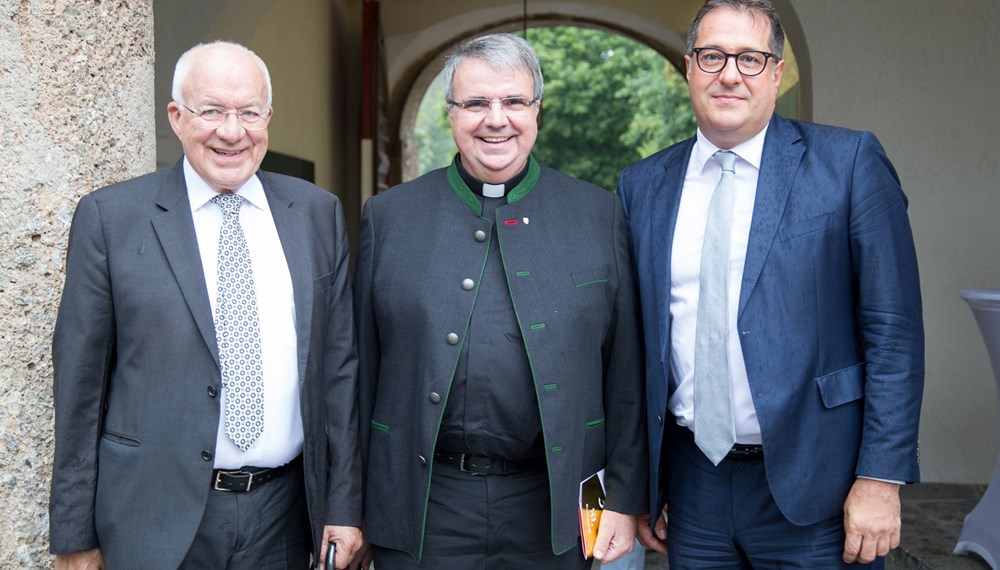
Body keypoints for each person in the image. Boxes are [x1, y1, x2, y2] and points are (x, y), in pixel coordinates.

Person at [617, 1, 924, 568]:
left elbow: (894, 332)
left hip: (818, 484)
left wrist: (881, 477)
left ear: (777, 73)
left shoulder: (849, 163)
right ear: (688, 68)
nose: (730, 74)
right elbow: (636, 348)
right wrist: (639, 484)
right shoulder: (641, 186)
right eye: (712, 56)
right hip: (693, 486)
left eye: (751, 59)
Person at [49, 41, 363, 570]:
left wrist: (345, 506)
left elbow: (340, 373)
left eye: (249, 112)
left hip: (282, 518)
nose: (232, 131)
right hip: (151, 517)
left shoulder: (315, 213)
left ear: (268, 117)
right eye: (212, 110)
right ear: (177, 117)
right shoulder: (111, 218)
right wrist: (75, 534)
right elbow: (80, 387)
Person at [354, 33, 646, 569]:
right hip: (424, 503)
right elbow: (359, 376)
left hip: (559, 502)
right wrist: (351, 509)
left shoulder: (597, 215)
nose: (496, 119)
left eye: (513, 101)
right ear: (450, 113)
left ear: (537, 111)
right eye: (476, 103)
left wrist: (621, 502)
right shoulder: (389, 218)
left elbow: (624, 375)